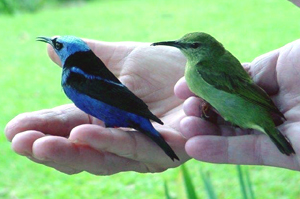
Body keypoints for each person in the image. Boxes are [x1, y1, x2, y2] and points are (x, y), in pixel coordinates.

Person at [5, 34, 300, 174]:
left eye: (191, 46)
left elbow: (242, 91)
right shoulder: (198, 69)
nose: (182, 48)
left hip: (250, 111)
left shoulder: (73, 76)